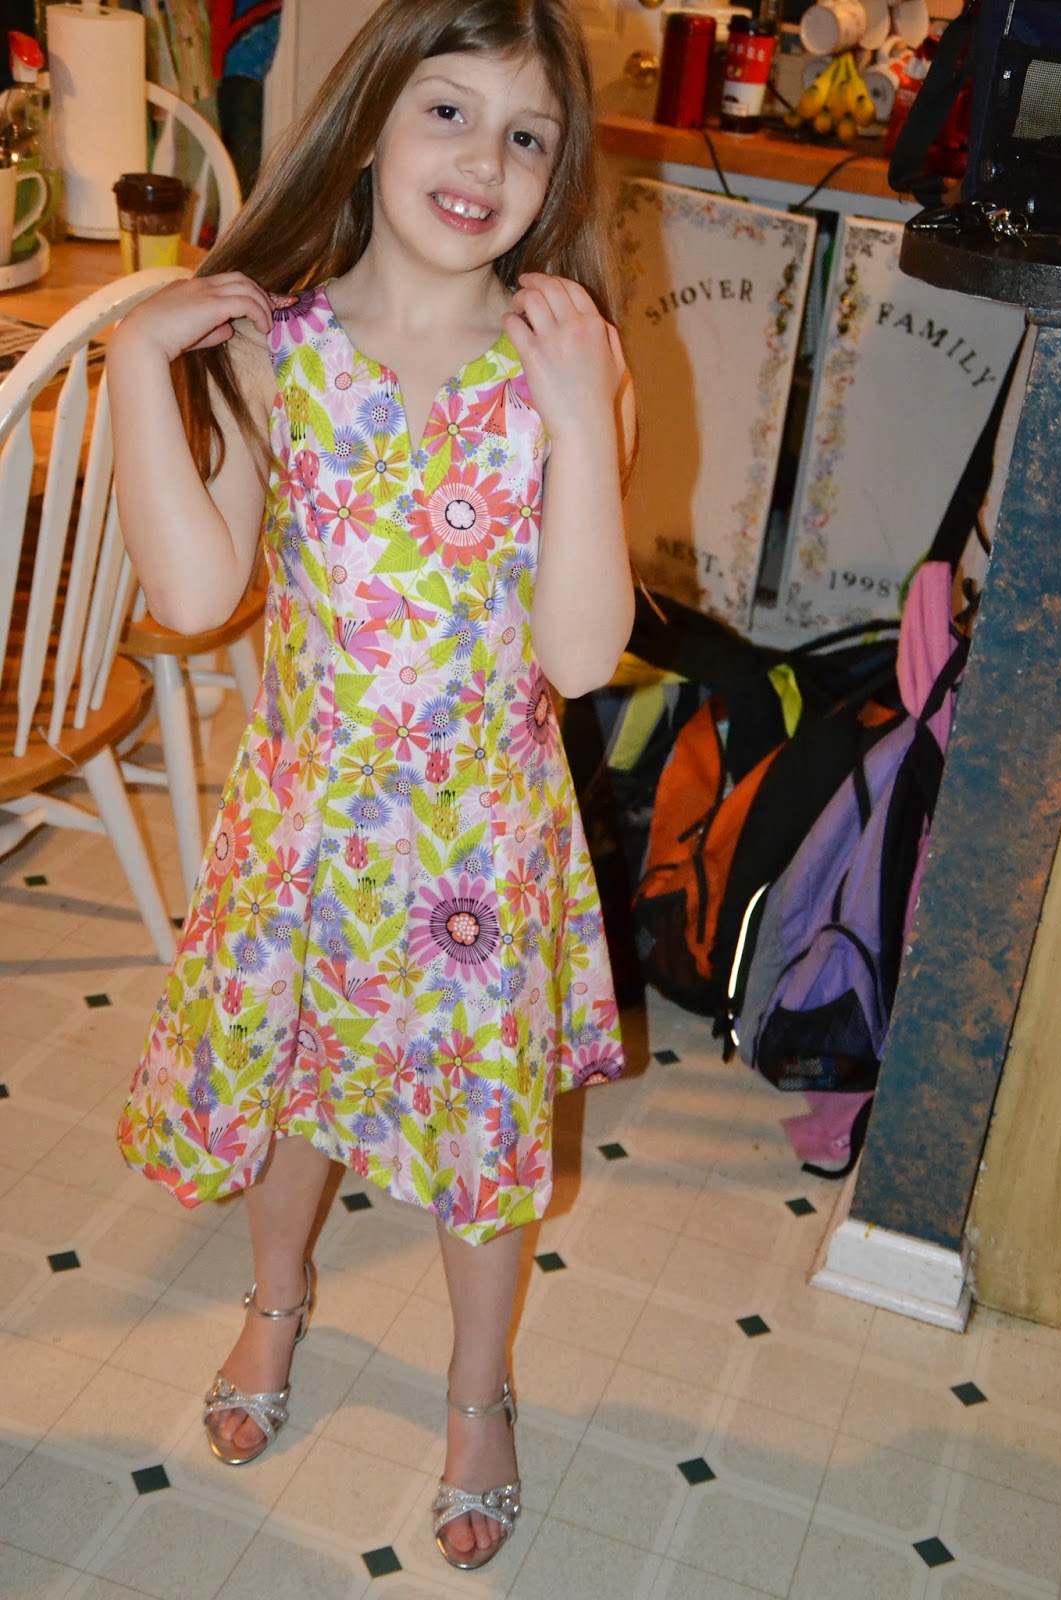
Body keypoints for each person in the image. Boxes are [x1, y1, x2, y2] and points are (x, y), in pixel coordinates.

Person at [112, 0, 634, 1573]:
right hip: (309, 830)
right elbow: (194, 594)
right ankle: (276, 1306)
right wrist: (138, 360)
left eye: (525, 134)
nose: (483, 160)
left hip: (484, 847)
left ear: (556, 172)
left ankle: (478, 1395)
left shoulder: (565, 357)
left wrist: (579, 422)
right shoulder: (278, 347)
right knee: (295, 1104)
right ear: (368, 123)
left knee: (482, 1157)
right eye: (448, 111)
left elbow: (581, 652)